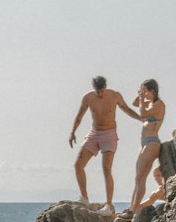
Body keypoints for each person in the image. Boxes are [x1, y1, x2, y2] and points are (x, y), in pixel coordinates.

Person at [68, 76, 141, 213]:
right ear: (94, 89)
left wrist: (141, 119)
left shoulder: (115, 95)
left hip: (109, 135)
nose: (100, 94)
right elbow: (79, 116)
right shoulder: (88, 98)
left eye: (101, 91)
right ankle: (84, 197)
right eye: (97, 91)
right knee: (78, 165)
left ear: (105, 87)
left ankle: (108, 205)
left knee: (106, 170)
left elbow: (126, 109)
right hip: (94, 133)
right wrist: (72, 133)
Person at [125, 79, 166, 214]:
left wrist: (143, 97)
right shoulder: (148, 103)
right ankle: (132, 208)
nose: (143, 94)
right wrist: (141, 94)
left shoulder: (159, 104)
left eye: (145, 91)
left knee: (142, 177)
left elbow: (142, 114)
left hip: (152, 142)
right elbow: (135, 103)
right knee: (138, 178)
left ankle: (133, 209)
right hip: (144, 143)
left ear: (152, 91)